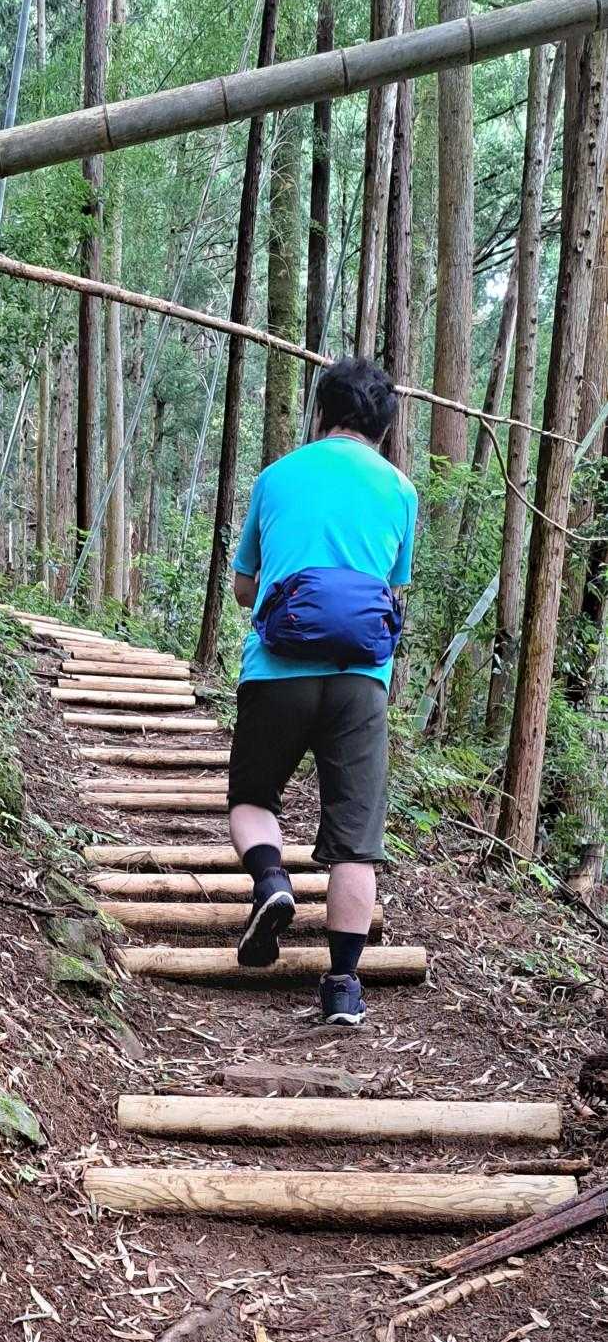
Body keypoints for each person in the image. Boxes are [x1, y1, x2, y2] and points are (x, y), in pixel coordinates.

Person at [227, 355, 418, 1027]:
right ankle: (342, 987)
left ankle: (271, 882)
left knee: (253, 798)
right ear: (384, 427)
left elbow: (244, 587)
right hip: (361, 682)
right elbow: (391, 586)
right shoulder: (400, 490)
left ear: (321, 412)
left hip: (276, 671)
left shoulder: (277, 477)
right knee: (355, 841)